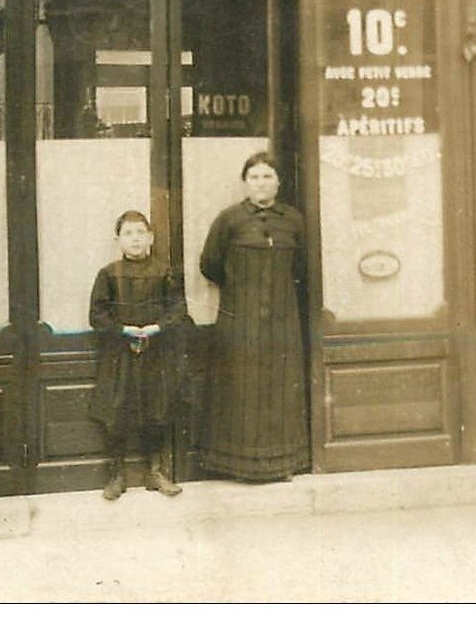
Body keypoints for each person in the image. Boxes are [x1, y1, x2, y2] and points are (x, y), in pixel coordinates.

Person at [197, 151, 309, 482]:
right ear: (245, 183)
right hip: (240, 322)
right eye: (254, 177)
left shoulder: (293, 220)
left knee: (278, 389)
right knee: (241, 390)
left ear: (278, 182)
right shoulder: (229, 220)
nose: (261, 184)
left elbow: (301, 267)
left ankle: (281, 464)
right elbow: (210, 264)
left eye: (267, 176)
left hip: (282, 322)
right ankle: (239, 466)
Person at [87, 210, 188, 500]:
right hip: (120, 354)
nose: (135, 239)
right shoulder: (109, 274)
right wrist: (123, 330)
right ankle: (117, 474)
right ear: (118, 240)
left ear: (151, 238)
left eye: (141, 232)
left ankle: (155, 472)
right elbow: (97, 314)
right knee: (116, 410)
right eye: (128, 233)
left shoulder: (165, 272)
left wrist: (158, 327)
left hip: (157, 352)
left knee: (158, 408)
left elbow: (179, 308)